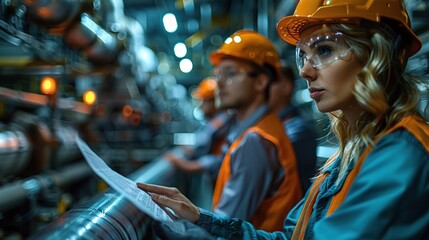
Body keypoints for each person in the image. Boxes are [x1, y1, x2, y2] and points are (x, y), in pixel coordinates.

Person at [139, 1, 429, 238]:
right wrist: (201, 219)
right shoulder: (347, 155)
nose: (305, 71)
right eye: (302, 55)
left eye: (324, 50)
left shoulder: (400, 152)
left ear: (379, 54)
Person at [163, 29, 304, 232]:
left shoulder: (256, 140)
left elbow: (225, 225)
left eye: (230, 73)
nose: (218, 82)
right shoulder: (261, 129)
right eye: (218, 73)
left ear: (261, 81)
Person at [163, 77, 234, 179]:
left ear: (214, 101)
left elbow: (217, 159)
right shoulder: (218, 121)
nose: (200, 107)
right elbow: (201, 145)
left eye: (203, 102)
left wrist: (184, 164)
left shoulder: (221, 122)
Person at [269, 65, 318, 193]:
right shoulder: (275, 126)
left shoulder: (300, 131)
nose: (263, 86)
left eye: (271, 80)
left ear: (286, 86)